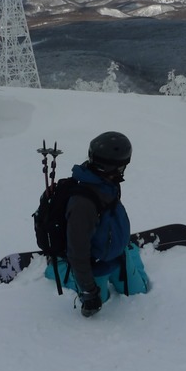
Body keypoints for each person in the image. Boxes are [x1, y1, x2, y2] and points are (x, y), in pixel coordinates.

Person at [45, 131, 149, 316]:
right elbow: (78, 251)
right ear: (114, 166)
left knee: (140, 291)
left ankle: (128, 249)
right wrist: (88, 291)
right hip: (94, 265)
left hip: (116, 256)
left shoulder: (108, 181)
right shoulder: (83, 203)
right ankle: (59, 269)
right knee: (103, 300)